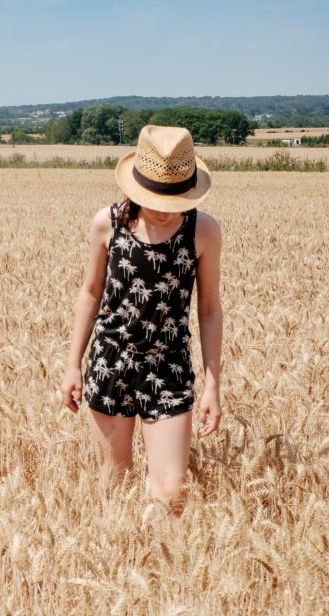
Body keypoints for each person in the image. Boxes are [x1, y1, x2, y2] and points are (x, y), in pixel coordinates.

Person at [60, 124, 223, 523]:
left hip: (168, 366)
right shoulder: (108, 223)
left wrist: (213, 384)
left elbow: (209, 308)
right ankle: (116, 561)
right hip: (110, 362)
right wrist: (71, 364)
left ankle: (166, 578)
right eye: (157, 197)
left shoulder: (203, 230)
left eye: (174, 198)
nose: (166, 208)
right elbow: (90, 292)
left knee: (172, 494)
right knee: (115, 480)